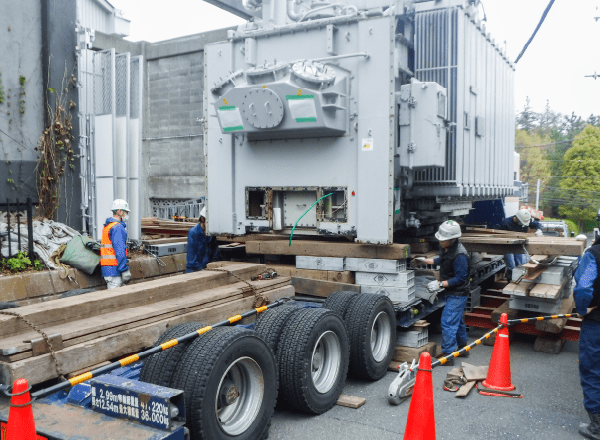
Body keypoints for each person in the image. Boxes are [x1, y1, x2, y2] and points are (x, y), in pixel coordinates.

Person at [418, 220, 470, 367]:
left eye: (443, 239)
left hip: (458, 293)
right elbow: (442, 259)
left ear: (452, 238)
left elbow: (461, 278)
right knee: (457, 320)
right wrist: (426, 261)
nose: (439, 241)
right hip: (451, 292)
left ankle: (448, 355)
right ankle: (463, 348)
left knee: (448, 322)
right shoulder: (447, 248)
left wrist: (440, 284)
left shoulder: (460, 255)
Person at [574, 239, 600, 440]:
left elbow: (583, 287)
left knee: (592, 370)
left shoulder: (594, 254)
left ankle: (596, 427)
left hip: (596, 324)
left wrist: (582, 309)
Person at [501, 208, 543, 280]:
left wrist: (539, 229)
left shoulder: (526, 220)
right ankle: (510, 279)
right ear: (517, 218)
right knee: (511, 265)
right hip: (507, 246)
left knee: (522, 263)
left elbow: (537, 224)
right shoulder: (506, 223)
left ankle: (520, 278)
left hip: (519, 246)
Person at [100, 199, 132, 289]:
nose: (126, 215)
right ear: (119, 211)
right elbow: (120, 250)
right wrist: (124, 269)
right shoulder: (117, 227)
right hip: (115, 269)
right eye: (125, 212)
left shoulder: (108, 226)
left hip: (107, 269)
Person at [186, 207, 220, 273]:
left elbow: (215, 253)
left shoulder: (211, 233)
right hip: (193, 270)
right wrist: (202, 270)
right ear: (202, 219)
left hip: (207, 268)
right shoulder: (193, 233)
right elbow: (191, 259)